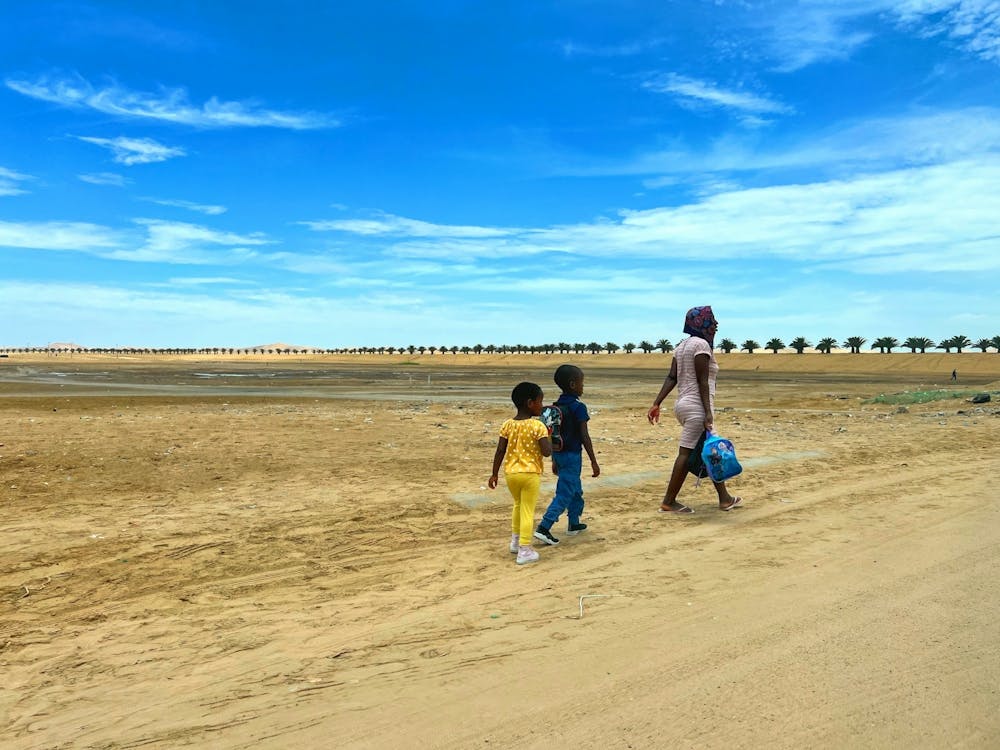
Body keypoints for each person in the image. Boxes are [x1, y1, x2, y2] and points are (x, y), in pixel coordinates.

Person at [647, 306, 743, 513]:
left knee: (710, 451)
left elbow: (672, 377)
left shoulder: (682, 346)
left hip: (684, 405)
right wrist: (708, 412)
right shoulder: (700, 345)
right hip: (696, 407)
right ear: (701, 322)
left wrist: (657, 403)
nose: (715, 324)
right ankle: (669, 501)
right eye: (712, 320)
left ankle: (724, 498)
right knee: (688, 453)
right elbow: (702, 381)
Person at [533, 365, 600, 545]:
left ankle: (574, 523)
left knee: (575, 489)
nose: (582, 386)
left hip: (560, 454)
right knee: (565, 492)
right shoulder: (578, 407)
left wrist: (555, 460)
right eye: (581, 382)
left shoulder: (556, 407)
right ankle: (544, 527)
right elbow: (585, 436)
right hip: (572, 456)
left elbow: (552, 435)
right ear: (572, 384)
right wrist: (594, 461)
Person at [489, 381, 553, 565]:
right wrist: (548, 435)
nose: (542, 405)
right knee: (527, 510)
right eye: (540, 401)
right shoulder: (537, 426)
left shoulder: (507, 425)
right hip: (530, 474)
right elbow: (546, 452)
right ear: (530, 403)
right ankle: (525, 549)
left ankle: (515, 541)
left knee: (517, 505)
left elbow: (500, 450)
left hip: (511, 474)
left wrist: (494, 474)